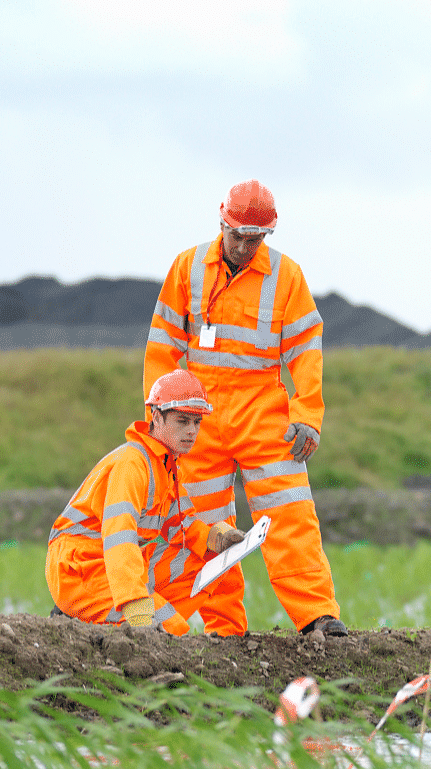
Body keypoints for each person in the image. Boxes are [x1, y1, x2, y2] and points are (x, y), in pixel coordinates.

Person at [142, 180, 347, 636]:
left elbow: (305, 352)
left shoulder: (285, 276)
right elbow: (162, 347)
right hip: (199, 419)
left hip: (264, 417)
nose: (244, 246)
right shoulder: (188, 269)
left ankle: (317, 617)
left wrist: (307, 417)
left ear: (267, 235)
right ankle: (225, 630)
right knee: (203, 528)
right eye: (237, 236)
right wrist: (159, 418)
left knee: (291, 515)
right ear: (221, 222)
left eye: (255, 239)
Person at [47, 370, 247, 633]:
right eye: (182, 421)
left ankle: (109, 616)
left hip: (105, 564)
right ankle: (85, 615)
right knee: (173, 629)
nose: (191, 431)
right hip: (79, 568)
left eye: (196, 423)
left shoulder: (165, 466)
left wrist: (219, 538)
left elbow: (184, 527)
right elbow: (120, 536)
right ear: (156, 417)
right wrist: (135, 605)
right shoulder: (133, 464)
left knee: (207, 560)